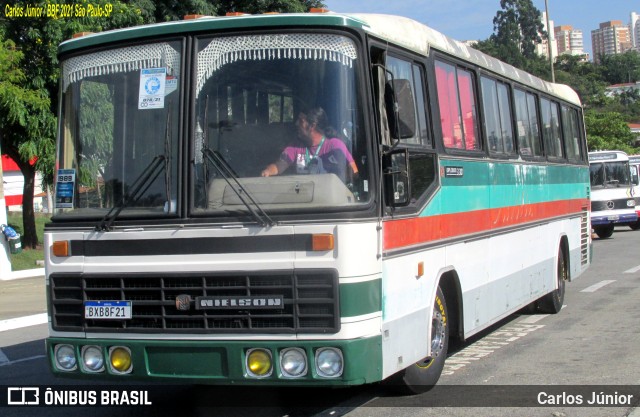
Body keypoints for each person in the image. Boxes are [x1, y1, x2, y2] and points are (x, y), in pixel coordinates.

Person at [261, 107, 358, 182]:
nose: (296, 124)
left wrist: (344, 175)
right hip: (305, 200)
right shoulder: (295, 146)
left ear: (312, 126)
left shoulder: (335, 145)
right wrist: (268, 171)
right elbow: (279, 165)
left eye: (301, 121)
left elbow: (354, 170)